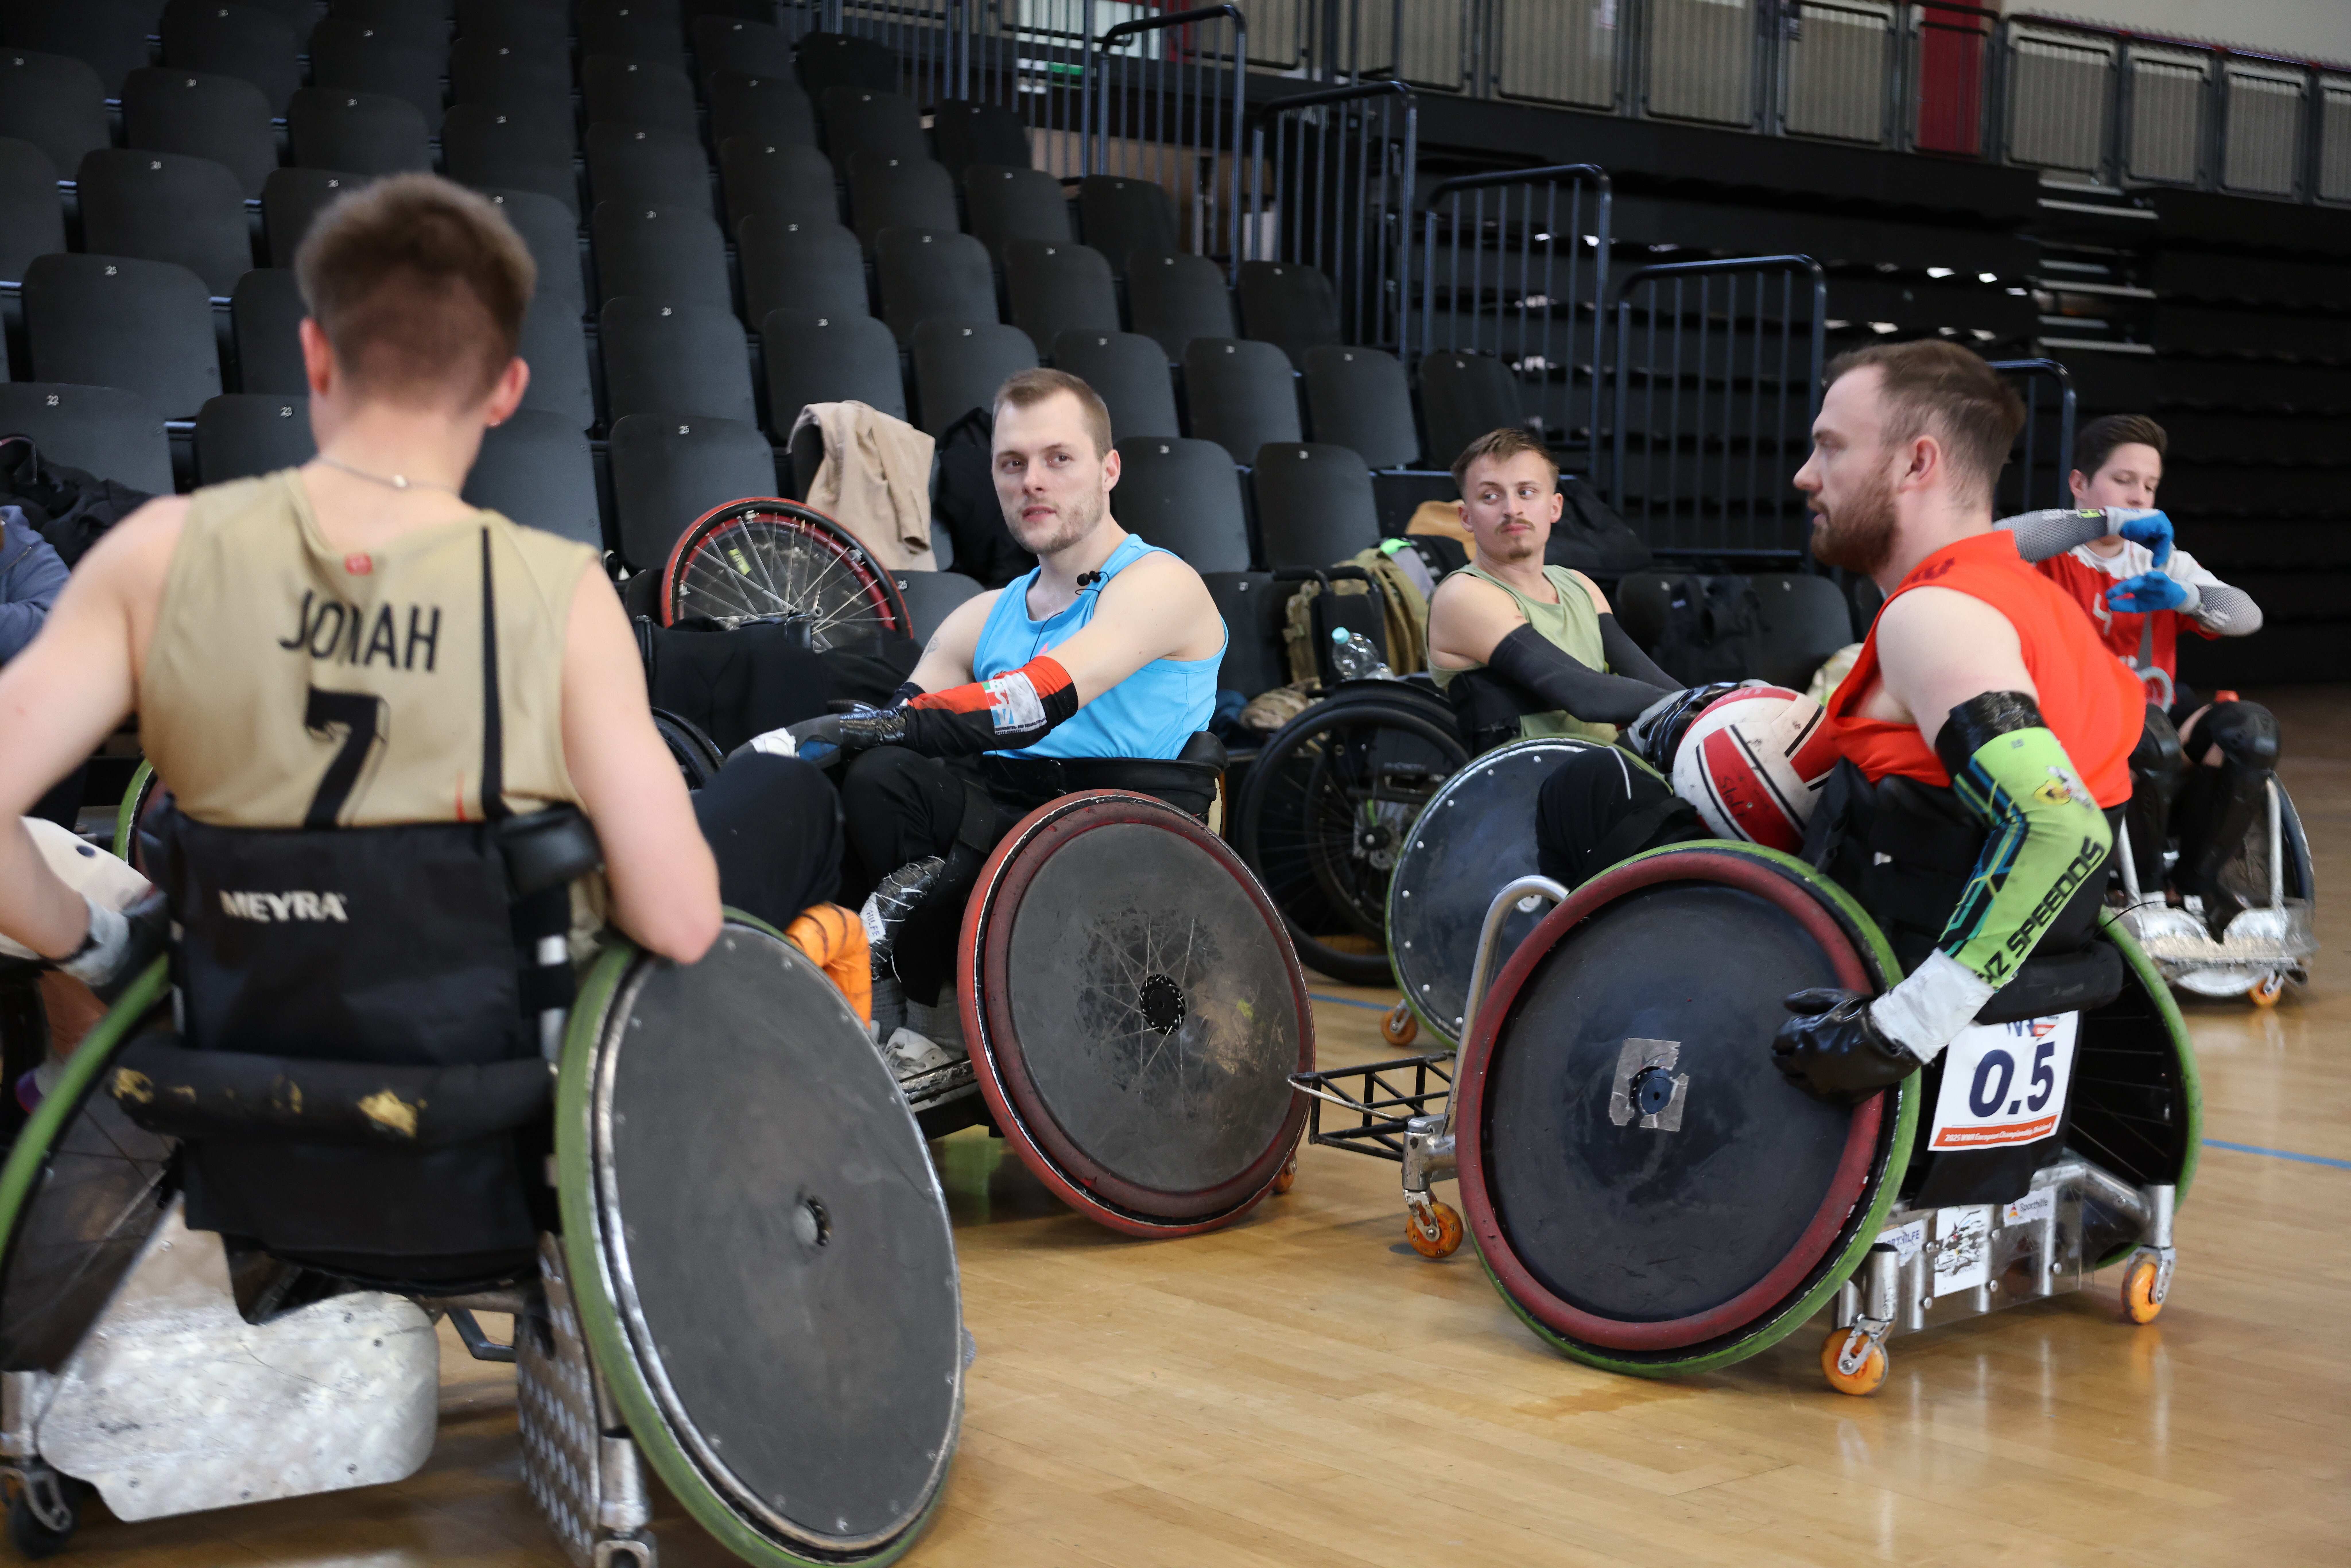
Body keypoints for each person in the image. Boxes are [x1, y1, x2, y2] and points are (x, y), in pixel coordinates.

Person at [0, 174, 719, 1273]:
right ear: (505, 388)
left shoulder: (160, 555)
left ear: (316, 356)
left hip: (238, 1130)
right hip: (484, 1150)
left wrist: (97, 944)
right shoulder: (557, 589)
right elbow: (677, 921)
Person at [758, 368, 1225, 1074]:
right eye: (1013, 463)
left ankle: (937, 1020)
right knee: (876, 776)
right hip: (1005, 813)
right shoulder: (984, 614)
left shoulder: (1162, 583)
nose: (1032, 480)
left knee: (889, 754)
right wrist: (788, 747)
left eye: (1057, 458)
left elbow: (1037, 698)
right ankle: (878, 1001)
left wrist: (879, 730)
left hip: (1114, 838)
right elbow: (901, 720)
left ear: (1108, 470)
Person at [1766, 341, 2144, 1101]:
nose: (1806, 475)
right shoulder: (2047, 609)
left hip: (1876, 1028)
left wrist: (1898, 1030)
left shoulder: (1935, 616)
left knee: (1593, 797)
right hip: (2037, 1011)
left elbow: (2062, 828)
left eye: (1831, 447)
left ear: (1916, 464)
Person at [1995, 414, 2275, 933]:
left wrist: (2188, 597)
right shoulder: (2053, 546)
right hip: (2069, 729)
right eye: (2123, 480)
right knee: (2149, 735)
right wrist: (2104, 522)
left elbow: (2247, 615)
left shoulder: (2161, 560)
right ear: (2079, 483)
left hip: (2156, 717)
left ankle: (2192, 890)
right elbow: (1995, 540)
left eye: (2149, 485)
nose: (2140, 497)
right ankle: (2136, 894)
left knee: (2250, 734)